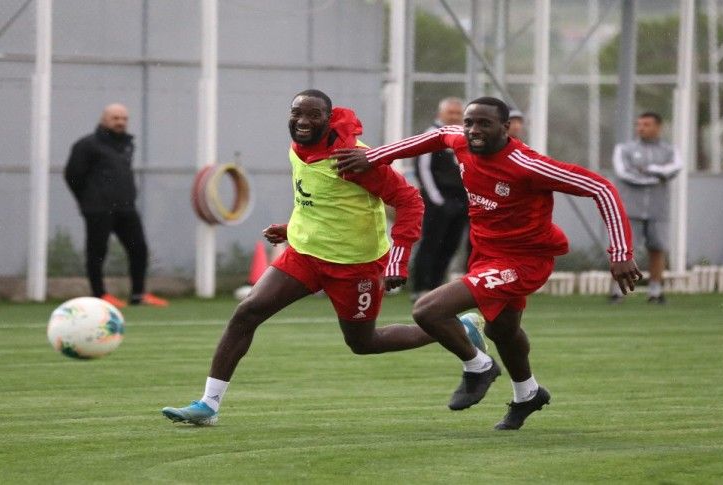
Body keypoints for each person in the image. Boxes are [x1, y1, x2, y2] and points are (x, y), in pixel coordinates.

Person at [161, 89, 486, 425]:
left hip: (354, 265)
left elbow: (410, 202)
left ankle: (456, 329)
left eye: (313, 115)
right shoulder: (299, 147)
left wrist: (398, 259)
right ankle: (209, 405)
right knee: (247, 312)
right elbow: (318, 198)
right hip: (305, 254)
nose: (303, 121)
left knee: (364, 342)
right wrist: (291, 229)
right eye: (297, 113)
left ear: (328, 119)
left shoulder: (353, 158)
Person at [333, 96, 642, 430]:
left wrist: (621, 253)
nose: (473, 130)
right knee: (501, 330)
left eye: (484, 124)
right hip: (486, 255)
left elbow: (601, 187)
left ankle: (478, 366)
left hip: (525, 260)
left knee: (427, 310)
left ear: (506, 127)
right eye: (469, 123)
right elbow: (435, 136)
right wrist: (374, 156)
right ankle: (528, 394)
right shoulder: (460, 141)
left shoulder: (527, 164)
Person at [64, 104, 168, 309]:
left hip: (125, 207)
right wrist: (88, 200)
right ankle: (99, 294)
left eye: (124, 118)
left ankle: (138, 294)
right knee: (97, 251)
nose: (120, 122)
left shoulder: (126, 145)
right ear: (104, 119)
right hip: (98, 209)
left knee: (139, 248)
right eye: (115, 118)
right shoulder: (87, 145)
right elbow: (73, 176)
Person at [611, 112, 682, 304]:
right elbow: (623, 173)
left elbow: (675, 167)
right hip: (630, 209)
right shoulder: (624, 149)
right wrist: (657, 177)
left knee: (658, 248)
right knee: (623, 250)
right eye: (639, 124)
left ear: (658, 127)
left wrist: (649, 169)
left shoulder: (670, 150)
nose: (641, 128)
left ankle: (655, 291)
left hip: (658, 209)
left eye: (646, 124)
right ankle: (618, 290)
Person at [411, 97, 468, 302]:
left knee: (451, 244)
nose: (454, 117)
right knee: (431, 242)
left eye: (458, 113)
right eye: (450, 113)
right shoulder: (432, 134)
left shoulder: (465, 135)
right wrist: (437, 200)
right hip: (438, 199)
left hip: (462, 199)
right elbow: (423, 169)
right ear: (440, 114)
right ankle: (420, 287)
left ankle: (436, 287)